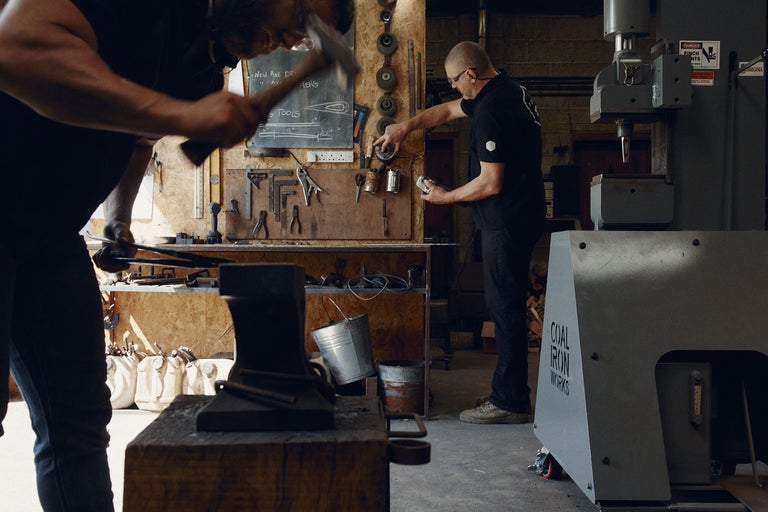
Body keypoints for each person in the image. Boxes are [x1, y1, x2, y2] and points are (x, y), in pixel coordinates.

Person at [0, 0, 353, 509]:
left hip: (48, 235)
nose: (296, 39)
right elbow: (15, 47)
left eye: (309, 34)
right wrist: (184, 115)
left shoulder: (204, 63)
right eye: (299, 14)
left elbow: (138, 137)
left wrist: (118, 217)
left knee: (76, 423)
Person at [375, 41, 546, 425]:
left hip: (506, 218)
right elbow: (450, 110)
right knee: (507, 304)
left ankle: (510, 401)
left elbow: (490, 182)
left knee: (504, 308)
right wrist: (407, 126)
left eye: (455, 80)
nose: (453, 87)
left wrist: (445, 197)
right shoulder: (508, 89)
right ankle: (510, 392)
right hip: (522, 213)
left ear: (471, 74)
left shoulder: (492, 111)